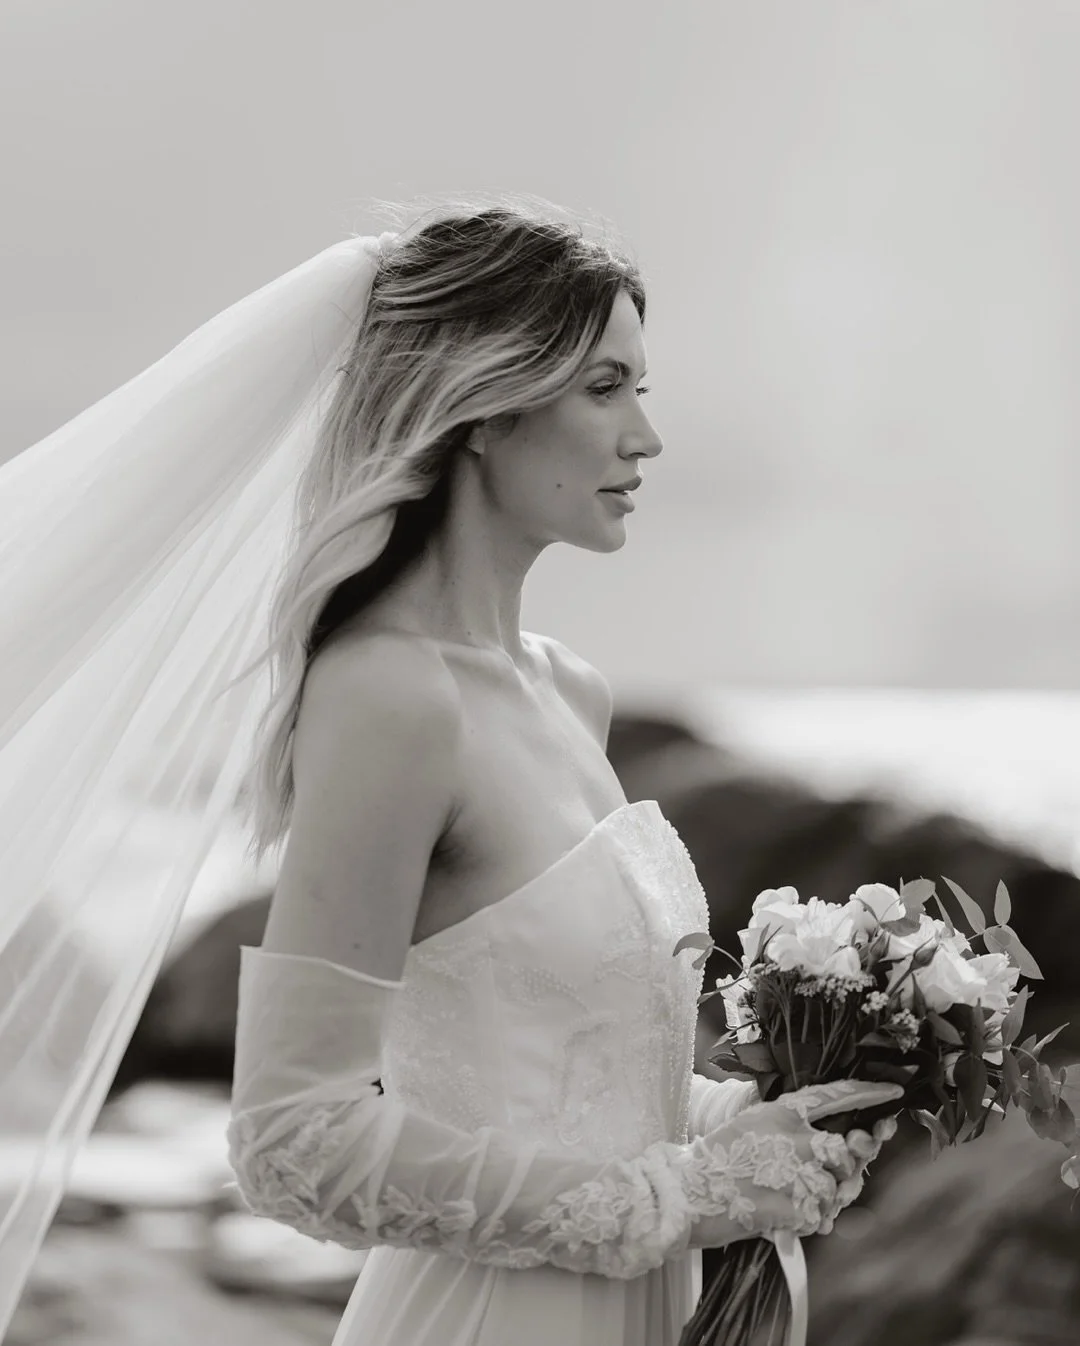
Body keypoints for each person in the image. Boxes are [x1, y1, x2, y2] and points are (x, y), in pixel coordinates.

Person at [223, 203, 902, 1346]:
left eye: (641, 388)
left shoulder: (566, 688)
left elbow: (582, 1077)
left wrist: (761, 1125)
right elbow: (291, 1138)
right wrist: (686, 1198)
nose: (646, 435)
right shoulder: (392, 695)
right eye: (605, 387)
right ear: (484, 407)